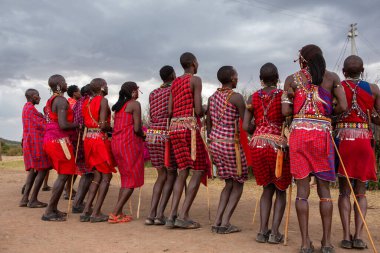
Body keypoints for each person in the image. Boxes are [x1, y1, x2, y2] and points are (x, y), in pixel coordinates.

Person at [282, 45, 347, 253]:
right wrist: (328, 112)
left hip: (299, 135)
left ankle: (304, 244)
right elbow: (343, 107)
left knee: (302, 192)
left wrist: (292, 99)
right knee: (324, 191)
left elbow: (285, 111)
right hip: (322, 135)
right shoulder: (331, 77)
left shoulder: (292, 79)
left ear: (302, 60)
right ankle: (327, 244)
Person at [243, 63, 292, 243]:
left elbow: (246, 126)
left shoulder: (252, 97)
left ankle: (262, 231)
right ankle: (275, 234)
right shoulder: (283, 95)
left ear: (261, 80)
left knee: (266, 188)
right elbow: (287, 113)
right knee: (280, 189)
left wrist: (259, 132)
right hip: (277, 145)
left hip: (257, 144)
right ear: (278, 78)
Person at [335, 55, 380, 249]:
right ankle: (359, 237)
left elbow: (331, 111)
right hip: (363, 142)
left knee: (345, 191)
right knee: (361, 192)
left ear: (344, 72)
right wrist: (370, 118)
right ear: (362, 71)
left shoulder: (337, 88)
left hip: (344, 141)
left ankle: (346, 236)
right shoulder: (373, 89)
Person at [166, 52, 211, 229]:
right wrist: (206, 108)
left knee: (182, 170)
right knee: (199, 170)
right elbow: (198, 110)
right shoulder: (195, 80)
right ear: (193, 63)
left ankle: (171, 215)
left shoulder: (174, 83)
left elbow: (169, 111)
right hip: (189, 129)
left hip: (175, 129)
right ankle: (183, 215)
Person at [207, 66, 248, 234]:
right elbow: (246, 123)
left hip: (215, 143)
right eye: (236, 75)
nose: (237, 78)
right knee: (238, 183)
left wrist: (214, 139)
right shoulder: (237, 98)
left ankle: (217, 221)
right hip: (231, 144)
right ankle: (225, 223)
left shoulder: (212, 98)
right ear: (232, 78)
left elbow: (208, 124)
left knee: (228, 183)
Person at [42, 74, 79, 221]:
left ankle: (53, 209)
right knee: (64, 174)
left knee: (63, 174)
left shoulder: (51, 100)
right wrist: (79, 124)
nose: (66, 83)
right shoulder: (61, 101)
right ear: (58, 85)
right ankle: (49, 211)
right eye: (64, 81)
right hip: (58, 140)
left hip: (52, 139)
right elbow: (63, 124)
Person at [145, 66, 178, 225]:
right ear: (173, 75)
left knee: (161, 175)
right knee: (171, 174)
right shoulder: (174, 90)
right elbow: (172, 112)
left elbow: (151, 114)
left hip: (152, 135)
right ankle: (159, 215)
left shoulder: (153, 93)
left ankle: (151, 215)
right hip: (166, 134)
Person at [80, 78, 116, 223]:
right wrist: (114, 129)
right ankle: (96, 213)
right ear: (101, 88)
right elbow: (102, 125)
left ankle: (87, 210)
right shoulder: (102, 100)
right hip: (99, 140)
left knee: (97, 176)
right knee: (106, 176)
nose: (107, 88)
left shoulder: (86, 101)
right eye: (106, 86)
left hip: (88, 140)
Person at [109, 82, 145, 224]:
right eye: (137, 90)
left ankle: (120, 212)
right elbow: (137, 128)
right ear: (132, 92)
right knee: (131, 179)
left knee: (126, 178)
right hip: (129, 143)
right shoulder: (134, 105)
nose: (138, 93)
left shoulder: (118, 107)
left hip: (117, 143)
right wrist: (144, 136)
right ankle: (115, 213)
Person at [20, 89, 51, 208]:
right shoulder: (31, 110)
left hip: (30, 142)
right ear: (33, 96)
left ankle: (24, 199)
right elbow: (42, 125)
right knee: (43, 169)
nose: (39, 97)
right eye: (37, 95)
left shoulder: (26, 108)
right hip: (35, 143)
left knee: (33, 170)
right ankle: (32, 200)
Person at [72, 84, 94, 213]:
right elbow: (86, 123)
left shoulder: (77, 103)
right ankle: (78, 203)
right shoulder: (87, 102)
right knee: (88, 174)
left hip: (78, 141)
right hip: (85, 142)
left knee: (87, 173)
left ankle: (78, 202)